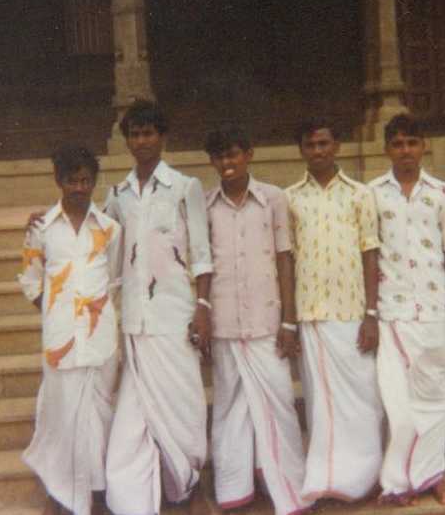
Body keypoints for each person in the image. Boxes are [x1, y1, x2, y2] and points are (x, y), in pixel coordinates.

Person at [103, 100, 213, 515]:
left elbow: (201, 254)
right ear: (127, 141)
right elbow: (101, 243)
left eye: (149, 132)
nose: (142, 141)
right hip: (136, 323)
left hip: (176, 318)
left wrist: (202, 307)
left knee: (184, 408)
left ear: (162, 137)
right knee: (132, 421)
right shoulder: (117, 195)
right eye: (135, 134)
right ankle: (134, 500)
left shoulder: (185, 188)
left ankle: (187, 484)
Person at [204, 127, 312, 515]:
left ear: (248, 154)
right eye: (220, 157)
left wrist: (289, 321)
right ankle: (234, 487)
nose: (227, 163)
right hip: (225, 322)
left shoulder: (273, 199)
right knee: (229, 406)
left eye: (233, 154)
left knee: (280, 401)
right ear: (212, 161)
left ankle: (289, 486)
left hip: (267, 320)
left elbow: (284, 258)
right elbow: (201, 264)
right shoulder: (205, 205)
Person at [369, 113, 445, 507]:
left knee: (433, 397)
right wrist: (369, 312)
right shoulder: (373, 193)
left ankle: (432, 475)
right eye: (397, 144)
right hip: (391, 311)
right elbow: (369, 255)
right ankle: (397, 482)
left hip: (431, 311)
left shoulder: (442, 192)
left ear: (423, 146)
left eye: (412, 142)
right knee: (397, 403)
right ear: (386, 149)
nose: (405, 150)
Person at [18, 144, 122, 515]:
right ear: (59, 181)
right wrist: (57, 312)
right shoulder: (41, 229)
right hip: (61, 340)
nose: (79, 187)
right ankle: (63, 491)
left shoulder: (109, 229)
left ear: (94, 182)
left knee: (99, 414)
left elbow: (115, 279)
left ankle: (96, 490)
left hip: (99, 340)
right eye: (71, 180)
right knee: (62, 415)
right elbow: (31, 281)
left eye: (85, 180)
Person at [285, 119, 384, 503]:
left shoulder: (360, 195)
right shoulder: (290, 198)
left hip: (353, 312)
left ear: (336, 146)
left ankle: (363, 475)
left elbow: (370, 252)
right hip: (311, 313)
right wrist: (289, 320)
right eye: (310, 145)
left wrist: (371, 314)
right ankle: (326, 477)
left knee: (362, 397)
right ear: (301, 150)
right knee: (321, 403)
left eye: (324, 143)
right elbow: (288, 260)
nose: (318, 151)